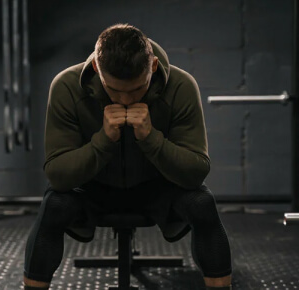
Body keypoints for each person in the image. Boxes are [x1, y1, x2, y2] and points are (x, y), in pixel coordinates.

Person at [23, 23, 232, 290]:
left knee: (202, 203)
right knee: (55, 204)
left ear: (153, 67)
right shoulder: (66, 86)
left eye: (136, 90)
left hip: (157, 188)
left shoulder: (181, 86)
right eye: (114, 90)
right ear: (98, 70)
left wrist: (150, 138)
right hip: (93, 190)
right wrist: (103, 140)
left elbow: (196, 172)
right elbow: (58, 175)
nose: (124, 100)